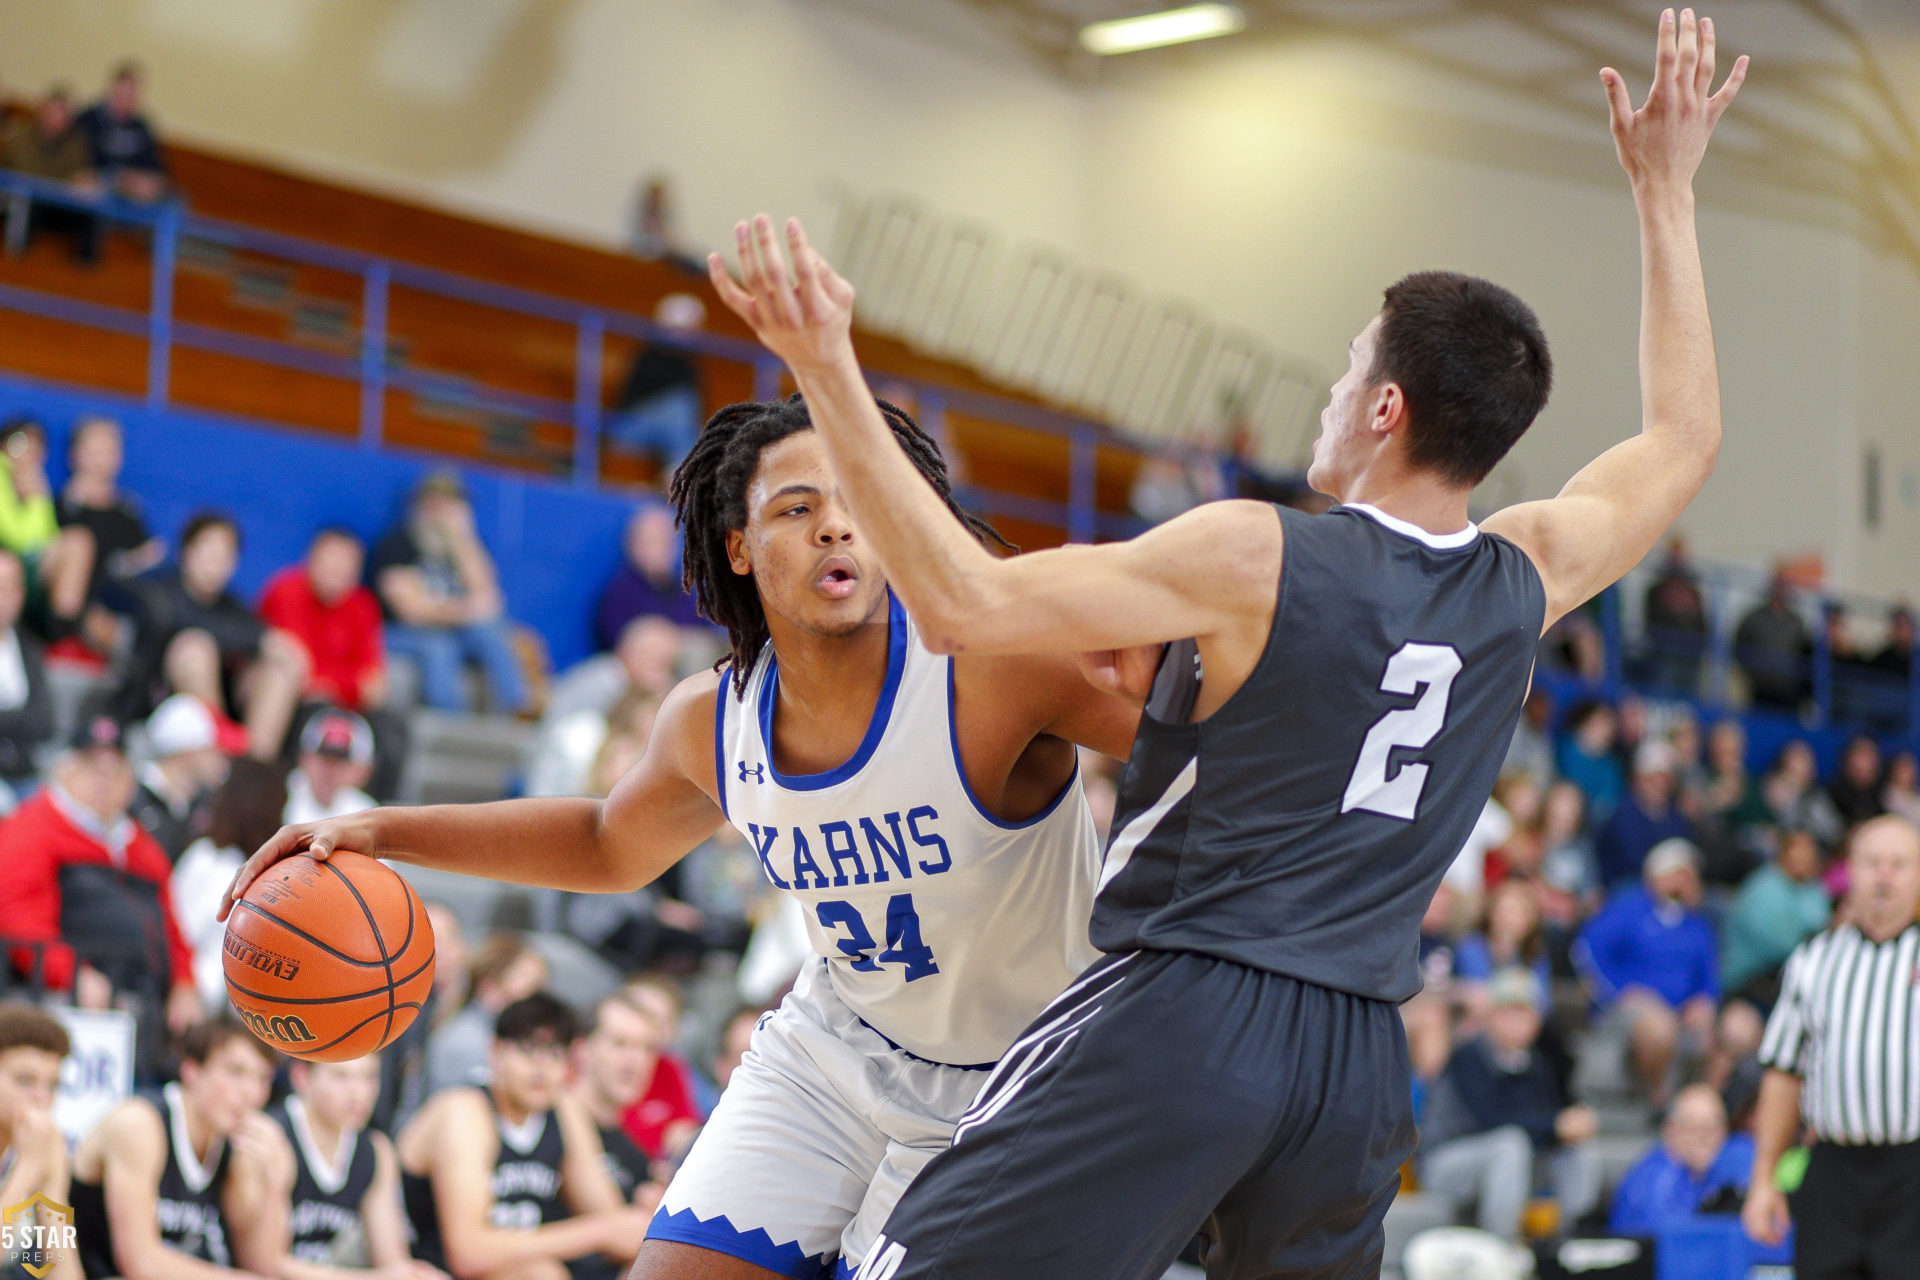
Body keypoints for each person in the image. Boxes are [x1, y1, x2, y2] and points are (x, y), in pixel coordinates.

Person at [701, 12, 1746, 1276]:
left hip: (1188, 1006)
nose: (1329, 384)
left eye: (1349, 360)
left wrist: (825, 369)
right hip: (1360, 1054)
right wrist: (1668, 192)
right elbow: (1685, 441)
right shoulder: (1523, 576)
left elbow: (967, 605)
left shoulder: (1260, 552)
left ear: (1384, 405)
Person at [222, 371, 1146, 1280]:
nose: (834, 522)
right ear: (737, 548)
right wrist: (385, 831)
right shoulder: (715, 718)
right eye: (794, 507)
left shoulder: (992, 670)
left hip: (1016, 1083)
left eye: (860, 498)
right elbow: (603, 843)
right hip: (834, 1053)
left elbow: (1214, 743)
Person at [1745, 815, 1920, 1277]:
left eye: (1899, 864)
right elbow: (1783, 1074)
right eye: (1871, 862)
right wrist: (1764, 1179)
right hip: (1833, 1169)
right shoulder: (1813, 959)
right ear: (1848, 873)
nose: (1884, 874)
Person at [397, 994, 651, 1280]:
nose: (541, 1068)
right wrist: (596, 1233)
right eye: (529, 1050)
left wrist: (627, 1226)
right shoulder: (463, 1111)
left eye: (554, 1054)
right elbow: (468, 1254)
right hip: (432, 1270)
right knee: (538, 1273)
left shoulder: (563, 1108)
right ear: (496, 1051)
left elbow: (616, 1228)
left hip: (528, 1264)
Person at [0, 715, 200, 1060]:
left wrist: (185, 983)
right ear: (66, 770)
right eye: (92, 768)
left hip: (148, 1005)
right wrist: (72, 974)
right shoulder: (32, 829)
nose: (104, 781)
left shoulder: (139, 843)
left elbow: (172, 927)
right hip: (72, 1005)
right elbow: (21, 922)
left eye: (115, 770)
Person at [72, 1017, 291, 1280]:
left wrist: (274, 1185)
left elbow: (263, 1264)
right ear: (191, 1071)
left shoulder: (240, 1142)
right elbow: (139, 1263)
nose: (251, 1092)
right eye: (236, 1072)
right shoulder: (140, 1124)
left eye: (263, 1078)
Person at [1416, 969, 1601, 1240]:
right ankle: (1502, 1244)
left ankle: (1571, 1244)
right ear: (1490, 1017)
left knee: (1577, 1149)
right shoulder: (1469, 1056)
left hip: (1508, 1162)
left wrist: (1572, 1123)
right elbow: (1488, 1118)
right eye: (1509, 1012)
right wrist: (1556, 1125)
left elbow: (1547, 1119)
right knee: (1510, 1144)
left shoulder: (1536, 1063)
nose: (1518, 1022)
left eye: (1525, 1013)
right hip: (1447, 1162)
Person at [127, 512, 311, 761]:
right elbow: (182, 623)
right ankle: (217, 755)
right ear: (187, 551)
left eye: (225, 556)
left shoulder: (232, 605)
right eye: (208, 552)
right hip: (162, 709)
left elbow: (261, 639)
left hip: (231, 713)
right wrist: (263, 641)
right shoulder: (159, 591)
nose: (215, 563)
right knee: (195, 648)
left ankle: (255, 768)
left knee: (279, 667)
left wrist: (283, 651)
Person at [270, 1054, 444, 1280]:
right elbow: (267, 1266)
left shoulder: (376, 1150)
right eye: (341, 1077)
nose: (358, 1093)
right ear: (301, 1076)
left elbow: (390, 1259)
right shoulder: (273, 1139)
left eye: (369, 1077)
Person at [371, 474, 530, 717]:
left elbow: (490, 601)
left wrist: (463, 539)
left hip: (453, 630)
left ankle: (517, 708)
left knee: (490, 631)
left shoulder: (465, 548)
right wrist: (465, 611)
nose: (441, 514)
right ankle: (451, 722)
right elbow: (411, 612)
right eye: (436, 504)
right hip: (398, 634)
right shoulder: (397, 544)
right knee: (438, 645)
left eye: (450, 505)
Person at [1574, 839, 1720, 1104]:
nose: (1684, 881)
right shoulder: (1627, 908)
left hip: (1681, 1011)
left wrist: (1705, 1002)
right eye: (1677, 873)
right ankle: (1660, 1103)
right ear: (1656, 876)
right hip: (1629, 1009)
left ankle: (1707, 1108)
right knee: (1659, 1028)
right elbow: (1586, 950)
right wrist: (1617, 992)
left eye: (1689, 874)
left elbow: (1708, 975)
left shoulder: (1697, 924)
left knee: (1734, 1030)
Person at [172, 759, 291, 1012]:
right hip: (196, 1005)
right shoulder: (207, 860)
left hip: (250, 1010)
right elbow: (177, 933)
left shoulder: (279, 872)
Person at [58, 415, 166, 656]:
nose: (102, 457)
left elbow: (148, 558)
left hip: (127, 606)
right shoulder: (60, 507)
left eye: (109, 449)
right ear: (75, 453)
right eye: (94, 448)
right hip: (84, 610)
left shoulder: (128, 511)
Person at [259, 529, 389, 715]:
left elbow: (373, 685)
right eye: (330, 559)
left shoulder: (364, 604)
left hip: (341, 706)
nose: (336, 568)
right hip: (286, 698)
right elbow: (297, 669)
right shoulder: (285, 591)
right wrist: (349, 686)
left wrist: (331, 686)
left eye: (345, 562)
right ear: (310, 560)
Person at [0, 1004, 79, 1280]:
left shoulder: (46, 1142)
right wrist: (28, 1166)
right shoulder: (34, 1152)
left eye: (52, 1085)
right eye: (25, 1081)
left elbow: (61, 1263)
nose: (41, 1098)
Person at [0, 418, 95, 643]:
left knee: (79, 542)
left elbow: (46, 537)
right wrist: (36, 498)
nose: (28, 454)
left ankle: (60, 638)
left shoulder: (35, 483)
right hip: (7, 562)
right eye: (20, 443)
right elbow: (15, 536)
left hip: (25, 568)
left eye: (36, 448)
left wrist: (36, 496)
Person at [423, 935, 550, 1096]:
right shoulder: (470, 1042)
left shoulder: (489, 1034)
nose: (538, 1005)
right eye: (532, 988)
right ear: (490, 986)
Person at [1608, 1083, 1742, 1235]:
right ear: (1670, 1129)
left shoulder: (1718, 1168)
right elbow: (1672, 1245)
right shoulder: (1655, 1183)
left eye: (1713, 1127)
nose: (1704, 1137)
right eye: (1693, 1126)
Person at [1718, 827, 1831, 1003]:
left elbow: (1822, 926)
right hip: (1752, 975)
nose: (1803, 859)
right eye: (1797, 853)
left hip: (1796, 970)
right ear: (1784, 854)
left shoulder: (1815, 888)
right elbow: (1775, 946)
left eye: (1808, 853)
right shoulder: (1762, 887)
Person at [606, 297, 709, 475]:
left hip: (664, 431)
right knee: (680, 406)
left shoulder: (690, 363)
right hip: (629, 428)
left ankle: (680, 471)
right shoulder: (648, 357)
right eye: (681, 329)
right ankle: (679, 472)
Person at [0, 85, 102, 263]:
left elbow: (80, 177)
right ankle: (16, 261)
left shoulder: (76, 144)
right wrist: (65, 181)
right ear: (42, 111)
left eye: (62, 114)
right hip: (23, 203)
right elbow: (23, 172)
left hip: (58, 205)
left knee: (90, 213)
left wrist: (82, 183)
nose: (56, 119)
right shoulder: (20, 136)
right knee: (23, 205)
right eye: (53, 112)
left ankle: (85, 271)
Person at [134, 693, 233, 863]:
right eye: (212, 749)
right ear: (187, 751)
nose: (223, 759)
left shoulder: (202, 805)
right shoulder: (132, 796)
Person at [595, 507, 707, 650]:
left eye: (665, 542)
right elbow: (620, 644)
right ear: (633, 545)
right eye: (652, 541)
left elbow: (706, 637)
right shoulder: (620, 592)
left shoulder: (685, 593)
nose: (660, 549)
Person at [1596, 739, 1695, 887]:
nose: (1659, 785)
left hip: (1671, 886)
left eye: (1665, 780)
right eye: (1653, 779)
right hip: (1626, 886)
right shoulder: (1623, 815)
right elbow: (1634, 863)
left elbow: (1684, 851)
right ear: (1638, 779)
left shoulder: (1674, 815)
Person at [74, 62, 169, 204]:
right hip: (91, 195)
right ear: (112, 91)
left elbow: (158, 173)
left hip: (129, 200)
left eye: (131, 96)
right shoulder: (88, 120)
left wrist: (139, 181)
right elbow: (76, 166)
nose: (126, 102)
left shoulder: (142, 128)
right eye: (122, 95)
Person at [0, 547, 53, 795]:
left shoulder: (30, 647)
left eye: (12, 587)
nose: (5, 596)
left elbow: (42, 719)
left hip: (23, 772)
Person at [1733, 572, 1810, 712]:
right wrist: (1752, 672)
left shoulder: (1797, 622)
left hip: (1787, 691)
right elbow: (1739, 646)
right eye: (1779, 585)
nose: (1782, 591)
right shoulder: (1754, 618)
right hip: (1759, 688)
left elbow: (1803, 653)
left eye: (1786, 586)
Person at [284, 710, 376, 826]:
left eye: (341, 763)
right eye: (324, 759)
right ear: (304, 758)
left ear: (364, 771)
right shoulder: (277, 798)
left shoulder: (368, 816)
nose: (330, 771)